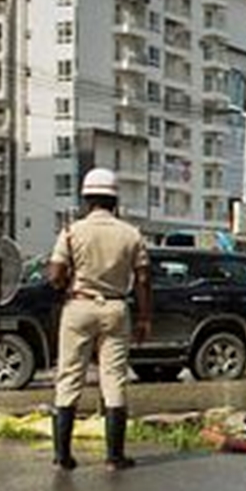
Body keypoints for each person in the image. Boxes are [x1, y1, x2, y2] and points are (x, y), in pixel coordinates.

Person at [46, 168, 152, 471]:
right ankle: (114, 457)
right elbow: (144, 280)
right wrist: (145, 319)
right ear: (114, 201)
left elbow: (54, 276)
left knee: (69, 377)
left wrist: (66, 280)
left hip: (79, 306)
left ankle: (62, 455)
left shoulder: (71, 231)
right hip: (116, 309)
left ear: (86, 199)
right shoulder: (131, 234)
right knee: (114, 379)